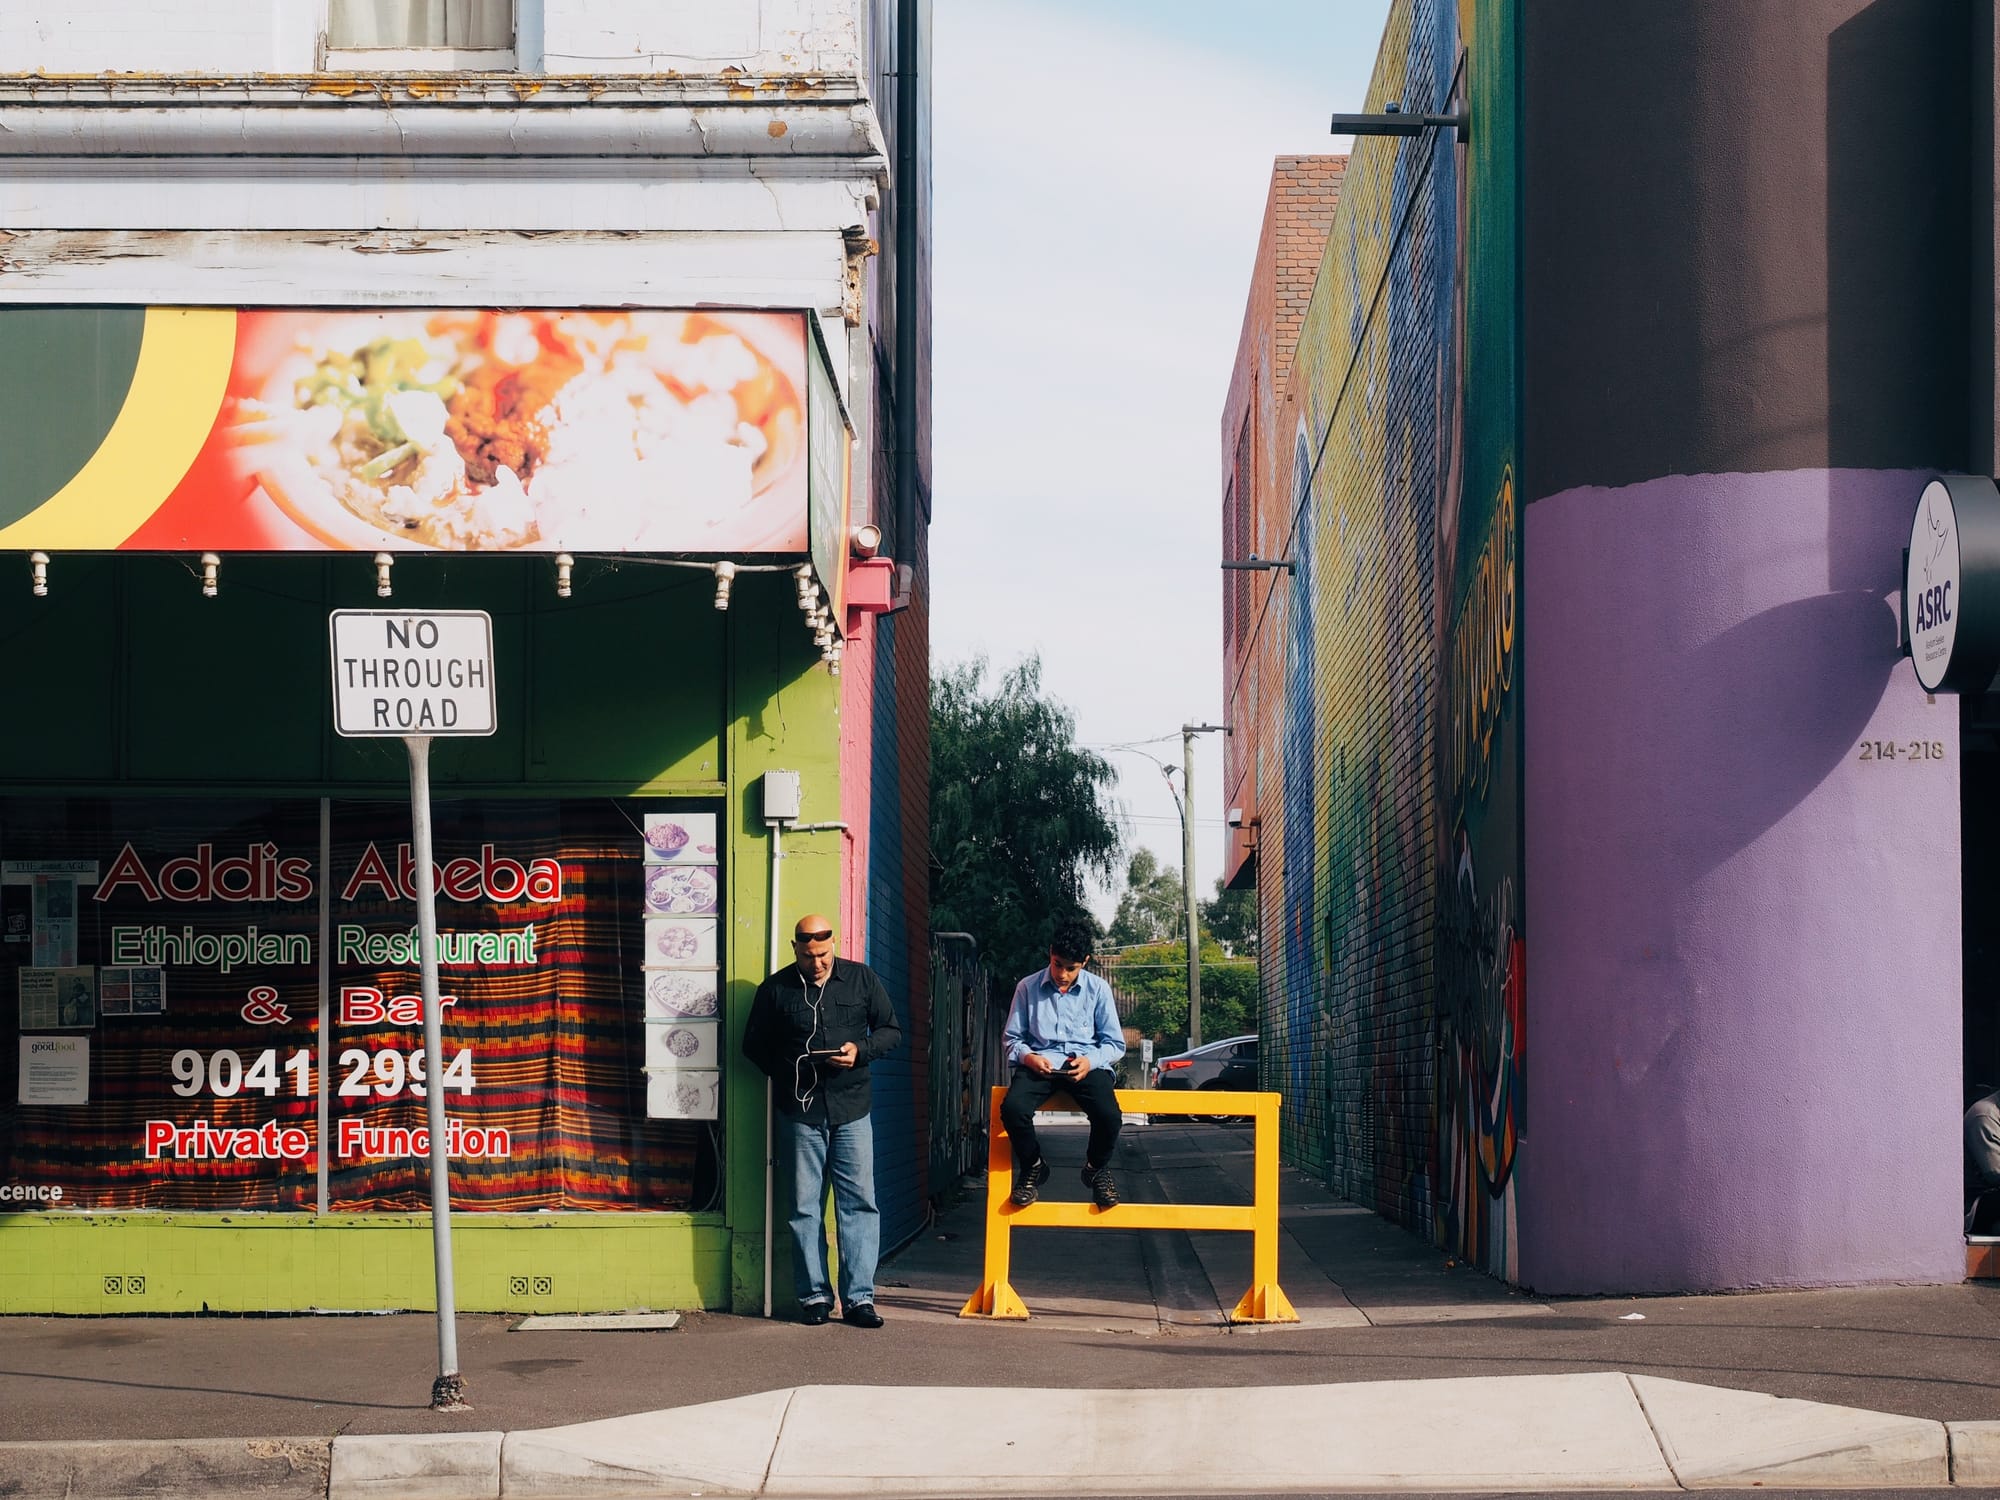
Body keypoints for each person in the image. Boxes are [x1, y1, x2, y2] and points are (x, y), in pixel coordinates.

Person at [743, 913, 901, 1327]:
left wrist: (859, 1051)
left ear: (834, 945)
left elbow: (891, 1030)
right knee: (803, 1207)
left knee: (860, 1205)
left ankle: (859, 1300)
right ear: (795, 948)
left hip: (852, 1107)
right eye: (810, 955)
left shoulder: (861, 979)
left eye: (824, 954)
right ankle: (814, 1296)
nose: (818, 963)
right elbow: (753, 1045)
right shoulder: (775, 990)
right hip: (799, 1111)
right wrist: (791, 1069)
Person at [1000, 917, 1126, 1209]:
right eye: (1058, 964)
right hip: (1040, 1063)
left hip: (1084, 1064)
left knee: (1109, 1116)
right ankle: (1033, 1166)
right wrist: (1028, 1057)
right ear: (1050, 953)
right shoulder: (1027, 987)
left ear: (1085, 961)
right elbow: (1012, 1039)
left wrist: (1090, 1061)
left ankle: (1096, 1169)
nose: (1063, 974)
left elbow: (1114, 1044)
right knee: (1013, 1109)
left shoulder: (1099, 990)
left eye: (1071, 968)